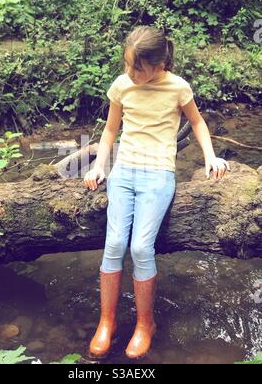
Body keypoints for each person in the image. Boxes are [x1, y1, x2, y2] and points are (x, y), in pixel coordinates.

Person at [83, 25, 230, 360]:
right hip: (124, 172)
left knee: (140, 247)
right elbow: (109, 130)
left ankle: (144, 324)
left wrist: (210, 156)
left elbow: (197, 122)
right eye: (128, 64)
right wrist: (98, 166)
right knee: (115, 243)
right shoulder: (122, 86)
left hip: (158, 174)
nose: (130, 72)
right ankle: (107, 321)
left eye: (138, 67)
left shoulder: (177, 87)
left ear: (159, 65)